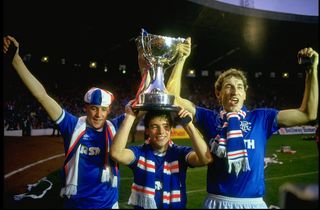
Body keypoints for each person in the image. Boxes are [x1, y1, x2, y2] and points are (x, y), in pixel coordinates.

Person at [166, 41, 319, 208]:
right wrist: (181, 58)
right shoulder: (208, 117)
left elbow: (307, 114)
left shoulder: (262, 117)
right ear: (219, 93)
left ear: (244, 94)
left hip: (253, 203)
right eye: (228, 87)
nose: (234, 91)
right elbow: (172, 98)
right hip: (218, 202)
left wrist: (312, 70)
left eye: (239, 87)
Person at [3, 35, 125, 209]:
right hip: (75, 205)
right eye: (94, 108)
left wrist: (147, 67)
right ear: (85, 107)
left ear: (109, 111)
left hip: (109, 205)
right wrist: (16, 60)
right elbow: (42, 96)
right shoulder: (72, 125)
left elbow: (141, 106)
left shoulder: (117, 126)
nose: (98, 114)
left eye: (103, 109)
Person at [110, 103, 213, 209]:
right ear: (147, 130)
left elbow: (205, 159)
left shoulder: (180, 153)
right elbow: (116, 153)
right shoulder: (139, 153)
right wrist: (130, 117)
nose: (161, 132)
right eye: (155, 127)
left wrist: (188, 125)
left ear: (171, 130)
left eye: (166, 126)